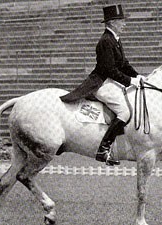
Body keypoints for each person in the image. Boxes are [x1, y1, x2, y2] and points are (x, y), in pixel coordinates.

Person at [61, 4, 145, 166]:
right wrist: (130, 81)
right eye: (121, 21)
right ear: (112, 22)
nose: (124, 24)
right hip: (101, 83)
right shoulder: (105, 41)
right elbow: (110, 69)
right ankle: (103, 149)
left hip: (111, 80)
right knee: (125, 111)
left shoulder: (115, 39)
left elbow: (124, 64)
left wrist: (137, 76)